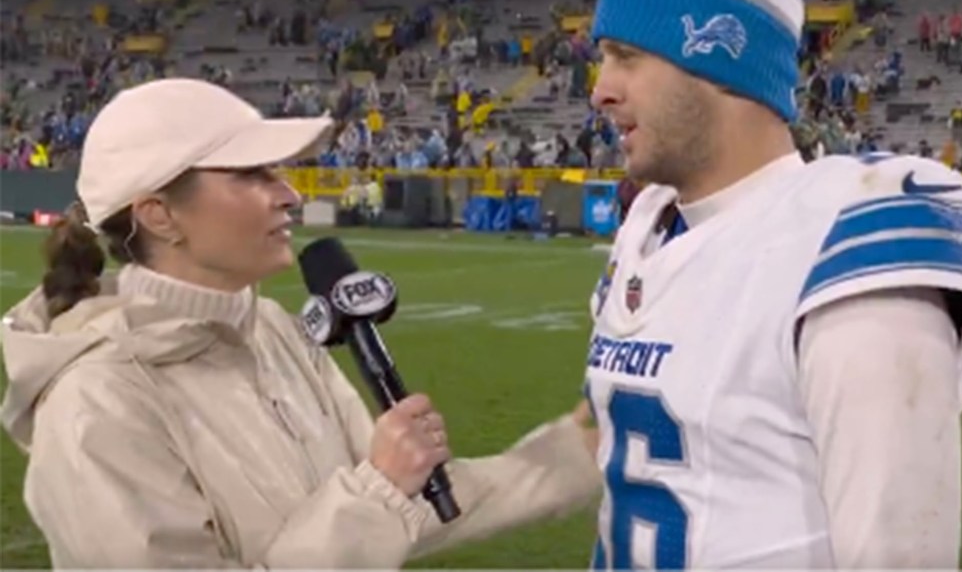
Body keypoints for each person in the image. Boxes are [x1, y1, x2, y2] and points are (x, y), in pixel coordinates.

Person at [0, 78, 601, 568]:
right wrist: (378, 492)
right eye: (250, 174)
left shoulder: (275, 332)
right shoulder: (94, 401)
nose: (287, 193)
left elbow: (404, 503)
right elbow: (381, 495)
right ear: (159, 215)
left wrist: (581, 446)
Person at [583, 0, 962, 568]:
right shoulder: (650, 227)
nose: (600, 89)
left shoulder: (842, 246)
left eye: (627, 57)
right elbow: (613, 436)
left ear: (716, 58)